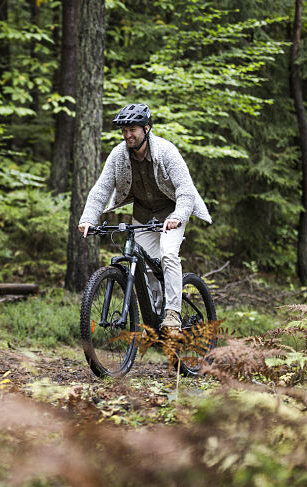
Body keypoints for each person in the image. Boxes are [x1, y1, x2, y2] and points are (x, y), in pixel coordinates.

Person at [77, 103, 211, 331]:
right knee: (144, 267)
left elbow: (186, 190)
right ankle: (155, 315)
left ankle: (173, 315)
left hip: (172, 213)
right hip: (142, 215)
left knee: (168, 254)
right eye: (124, 130)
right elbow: (101, 189)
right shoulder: (119, 155)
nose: (128, 135)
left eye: (133, 129)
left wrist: (179, 216)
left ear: (146, 129)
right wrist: (88, 218)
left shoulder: (166, 151)